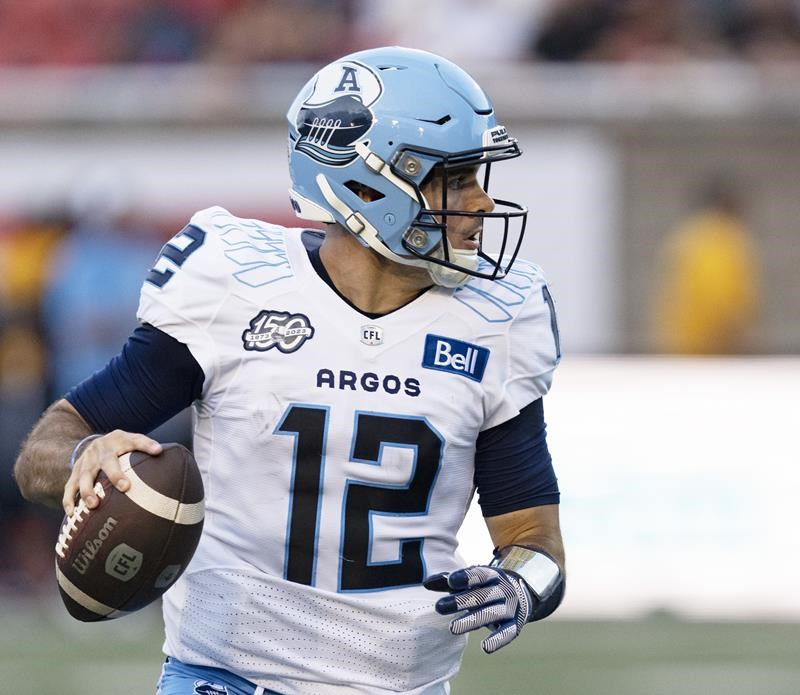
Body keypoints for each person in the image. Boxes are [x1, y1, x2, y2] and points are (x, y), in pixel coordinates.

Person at [15, 46, 566, 695]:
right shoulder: (237, 284)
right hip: (225, 677)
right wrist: (86, 456)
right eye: (455, 178)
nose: (478, 204)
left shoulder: (497, 319)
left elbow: (535, 539)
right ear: (368, 184)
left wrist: (518, 583)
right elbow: (44, 449)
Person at [650, 173, 759, 355]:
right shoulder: (719, 237)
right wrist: (737, 334)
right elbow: (716, 294)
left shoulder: (689, 234)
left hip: (680, 345)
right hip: (706, 350)